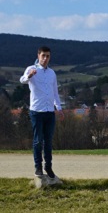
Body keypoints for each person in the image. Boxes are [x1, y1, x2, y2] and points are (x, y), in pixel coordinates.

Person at [20, 46, 64, 178]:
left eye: (48, 56)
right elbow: (22, 80)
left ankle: (48, 167)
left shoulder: (52, 73)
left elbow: (55, 92)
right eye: (43, 55)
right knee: (38, 141)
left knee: (49, 141)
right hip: (36, 112)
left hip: (49, 112)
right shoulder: (31, 69)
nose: (45, 58)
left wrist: (59, 108)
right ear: (38, 55)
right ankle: (38, 167)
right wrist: (29, 75)